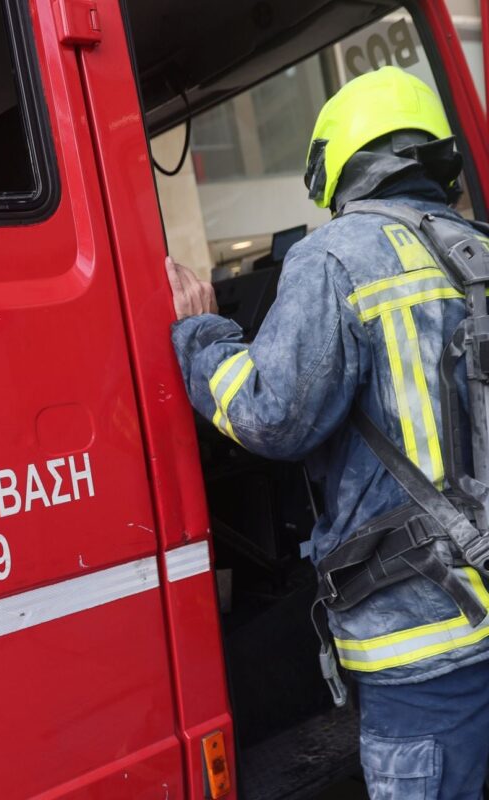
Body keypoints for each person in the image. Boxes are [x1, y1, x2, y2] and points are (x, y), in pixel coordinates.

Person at [166, 65, 489, 798]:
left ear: (339, 165)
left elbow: (270, 415)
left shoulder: (336, 257)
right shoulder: (477, 251)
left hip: (419, 643)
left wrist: (200, 334)